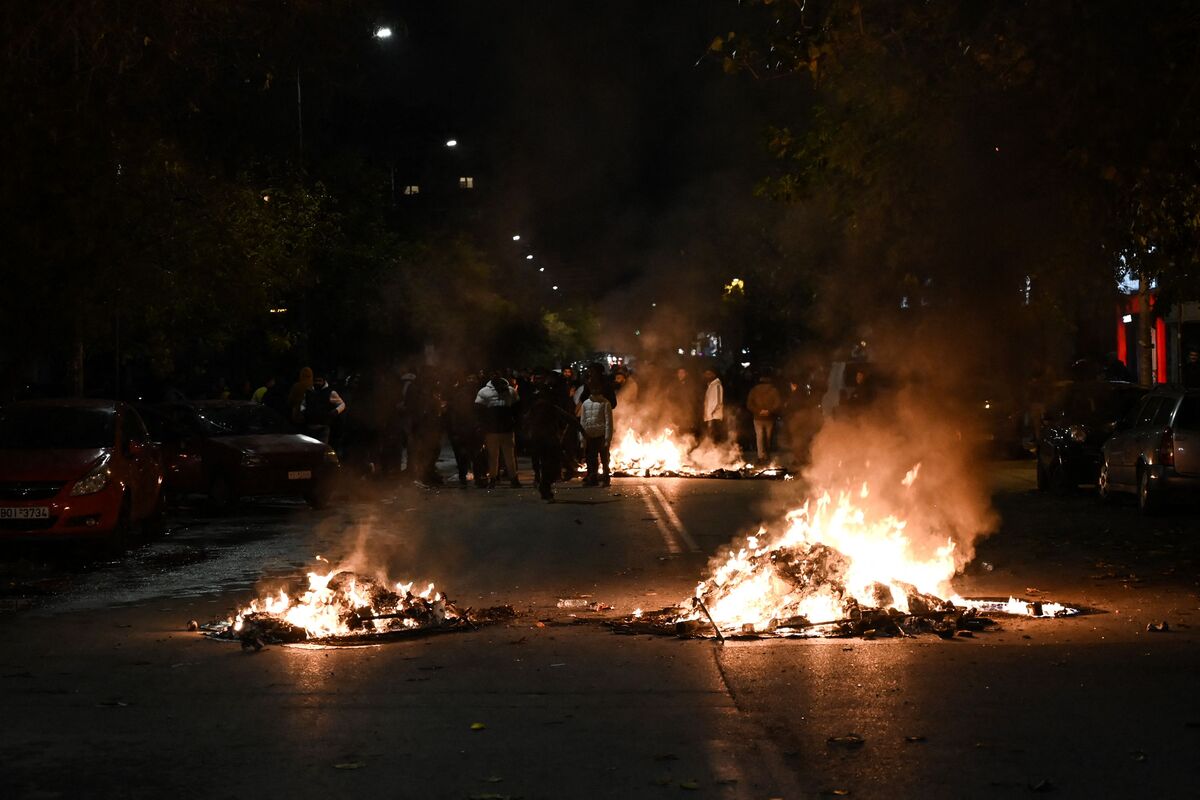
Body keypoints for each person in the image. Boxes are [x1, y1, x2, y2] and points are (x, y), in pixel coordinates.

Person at [524, 372, 584, 501]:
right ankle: (545, 487)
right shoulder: (546, 405)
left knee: (548, 465)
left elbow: (526, 420)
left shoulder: (540, 405)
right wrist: (582, 431)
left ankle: (545, 486)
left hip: (541, 438)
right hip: (547, 439)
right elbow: (568, 418)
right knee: (550, 465)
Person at [475, 373, 521, 488]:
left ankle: (496, 479)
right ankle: (510, 479)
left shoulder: (484, 392)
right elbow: (517, 409)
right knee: (504, 456)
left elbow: (479, 411)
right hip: (501, 429)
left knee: (496, 456)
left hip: (498, 429)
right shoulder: (510, 391)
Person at [447, 372, 486, 487]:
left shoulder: (479, 394)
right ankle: (468, 478)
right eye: (469, 378)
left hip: (472, 429)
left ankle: (471, 478)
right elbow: (454, 414)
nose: (471, 381)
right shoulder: (462, 395)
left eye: (473, 378)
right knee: (467, 456)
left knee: (472, 455)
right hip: (465, 429)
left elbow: (483, 412)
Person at [579, 375, 613, 486]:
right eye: (592, 388)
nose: (595, 390)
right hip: (589, 435)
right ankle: (592, 478)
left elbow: (608, 422)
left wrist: (608, 438)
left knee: (604, 459)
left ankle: (606, 478)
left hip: (601, 435)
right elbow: (582, 421)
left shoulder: (605, 403)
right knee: (591, 459)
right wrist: (582, 437)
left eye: (597, 388)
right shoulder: (585, 404)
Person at [746, 371, 783, 462]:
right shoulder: (774, 390)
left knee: (759, 437)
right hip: (769, 418)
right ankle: (767, 456)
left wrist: (758, 411)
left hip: (757, 417)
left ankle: (760, 457)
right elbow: (778, 403)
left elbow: (749, 404)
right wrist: (769, 411)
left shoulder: (754, 390)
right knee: (768, 437)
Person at [304, 371, 347, 449]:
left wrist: (336, 411)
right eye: (315, 381)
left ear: (324, 381)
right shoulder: (309, 392)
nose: (317, 383)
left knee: (321, 449)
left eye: (319, 381)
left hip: (323, 426)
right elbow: (303, 404)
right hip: (310, 426)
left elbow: (342, 404)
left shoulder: (330, 392)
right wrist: (303, 411)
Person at [702, 366, 725, 443]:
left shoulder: (717, 385)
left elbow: (719, 401)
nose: (707, 375)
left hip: (715, 416)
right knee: (711, 437)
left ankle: (717, 453)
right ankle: (712, 453)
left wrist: (713, 412)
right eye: (706, 374)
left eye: (709, 373)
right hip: (710, 416)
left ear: (714, 375)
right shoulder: (710, 386)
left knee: (715, 438)